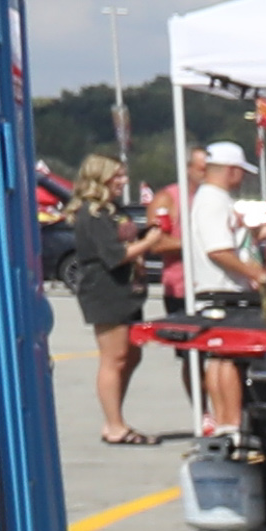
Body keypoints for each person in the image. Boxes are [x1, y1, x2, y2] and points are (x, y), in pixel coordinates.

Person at [54, 151, 159, 443]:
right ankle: (114, 426)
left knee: (132, 353)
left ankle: (116, 416)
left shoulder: (115, 209)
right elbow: (115, 255)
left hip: (128, 290)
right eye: (118, 176)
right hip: (105, 289)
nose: (123, 181)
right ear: (100, 177)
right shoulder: (93, 213)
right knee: (114, 357)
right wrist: (148, 243)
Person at [175, 139, 266, 442]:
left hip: (220, 288)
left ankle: (225, 421)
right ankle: (230, 421)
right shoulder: (213, 200)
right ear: (231, 171)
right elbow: (218, 250)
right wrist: (257, 273)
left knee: (218, 355)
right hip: (222, 290)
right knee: (226, 356)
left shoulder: (213, 199)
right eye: (240, 172)